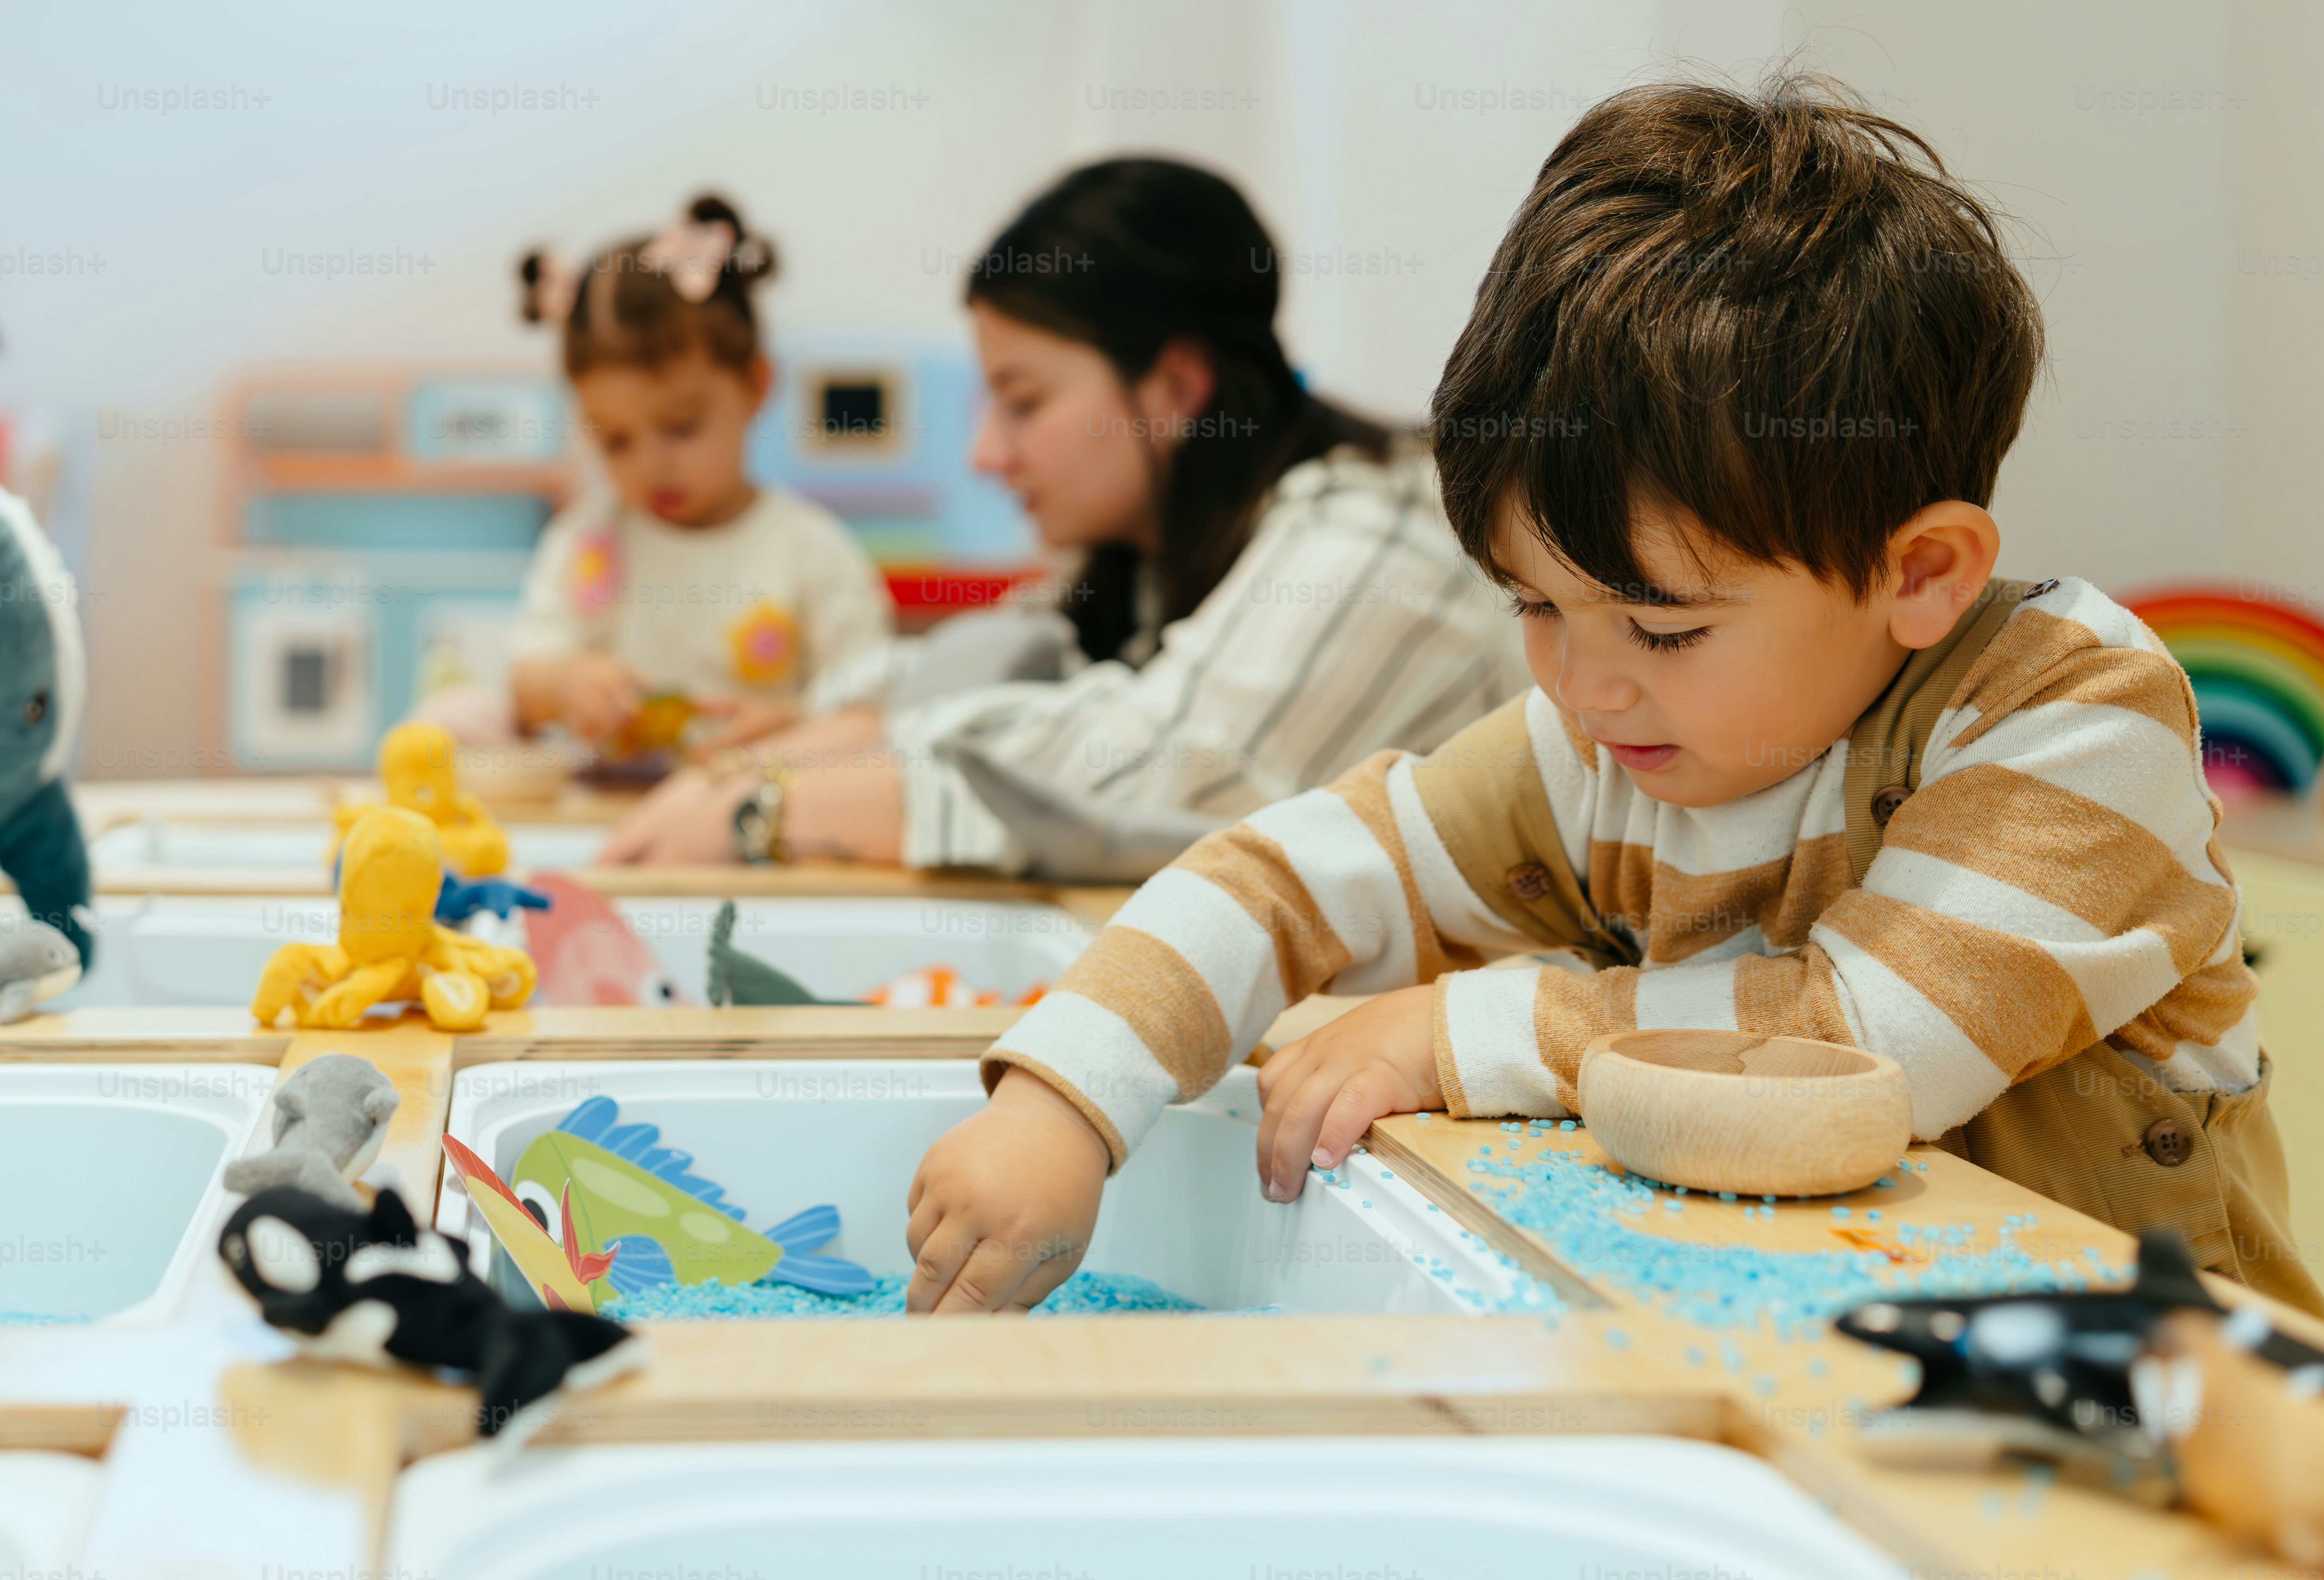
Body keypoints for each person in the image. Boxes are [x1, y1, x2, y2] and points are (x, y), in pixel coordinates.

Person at [905, 74, 2313, 1316]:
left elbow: (1857, 1053)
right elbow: (1282, 871)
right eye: (1532, 604)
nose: (1578, 680)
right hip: (1808, 1345)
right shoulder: (1608, 730)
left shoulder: (2072, 719)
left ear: (1920, 570)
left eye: (1662, 621)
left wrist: (1464, 1023)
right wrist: (1066, 1098)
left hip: (2163, 1411)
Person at [595, 157, 1524, 869]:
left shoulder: (1367, 542)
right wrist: (812, 730)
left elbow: (1160, 774)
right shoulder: (1158, 551)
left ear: (1174, 386)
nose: (985, 453)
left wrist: (773, 804)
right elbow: (986, 664)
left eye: (1024, 400)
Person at [508, 196, 894, 755]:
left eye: (682, 428)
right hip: (614, 820)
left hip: (762, 818)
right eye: (615, 441)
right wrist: (565, 683)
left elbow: (875, 705)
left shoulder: (809, 552)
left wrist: (795, 720)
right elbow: (525, 680)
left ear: (755, 385)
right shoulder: (588, 543)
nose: (651, 465)